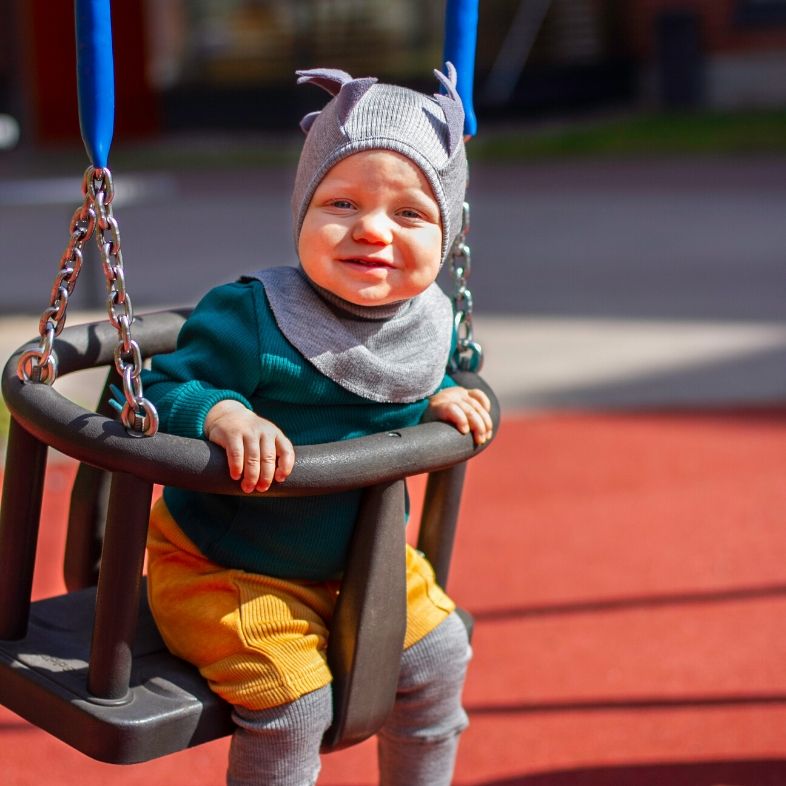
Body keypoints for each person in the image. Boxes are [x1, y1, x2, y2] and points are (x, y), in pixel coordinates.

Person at [140, 63, 493, 786]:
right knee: (294, 702)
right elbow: (161, 386)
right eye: (341, 202)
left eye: (410, 214)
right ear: (303, 208)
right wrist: (222, 412)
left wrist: (437, 399)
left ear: (448, 235)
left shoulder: (431, 322)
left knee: (442, 654)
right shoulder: (251, 313)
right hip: (225, 569)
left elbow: (389, 390)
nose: (371, 230)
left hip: (362, 564)